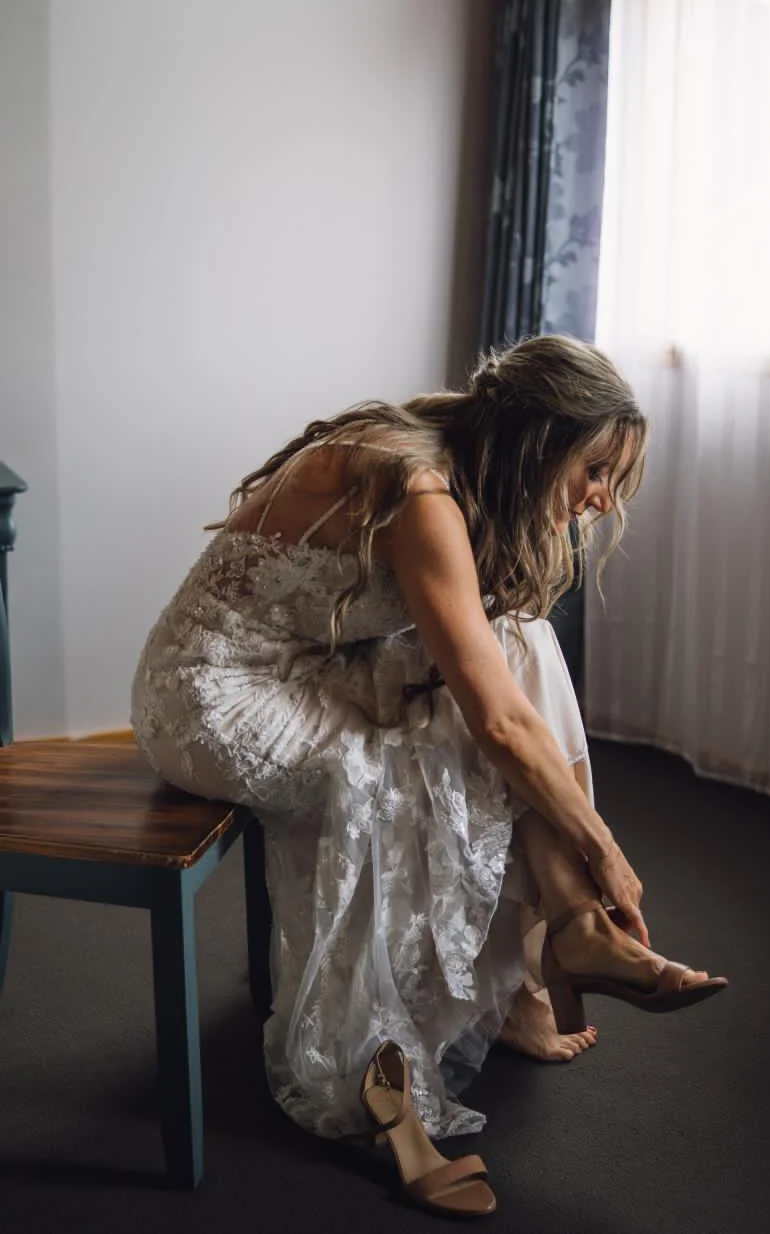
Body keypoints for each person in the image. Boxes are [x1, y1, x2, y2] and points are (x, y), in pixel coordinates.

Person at [131, 334, 726, 1155]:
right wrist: (604, 848)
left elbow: (500, 698)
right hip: (211, 696)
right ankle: (554, 942)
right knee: (408, 763)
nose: (597, 500)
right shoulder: (418, 489)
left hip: (313, 665)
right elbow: (503, 725)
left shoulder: (448, 462)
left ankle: (565, 934)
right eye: (592, 471)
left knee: (521, 643)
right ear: (537, 444)